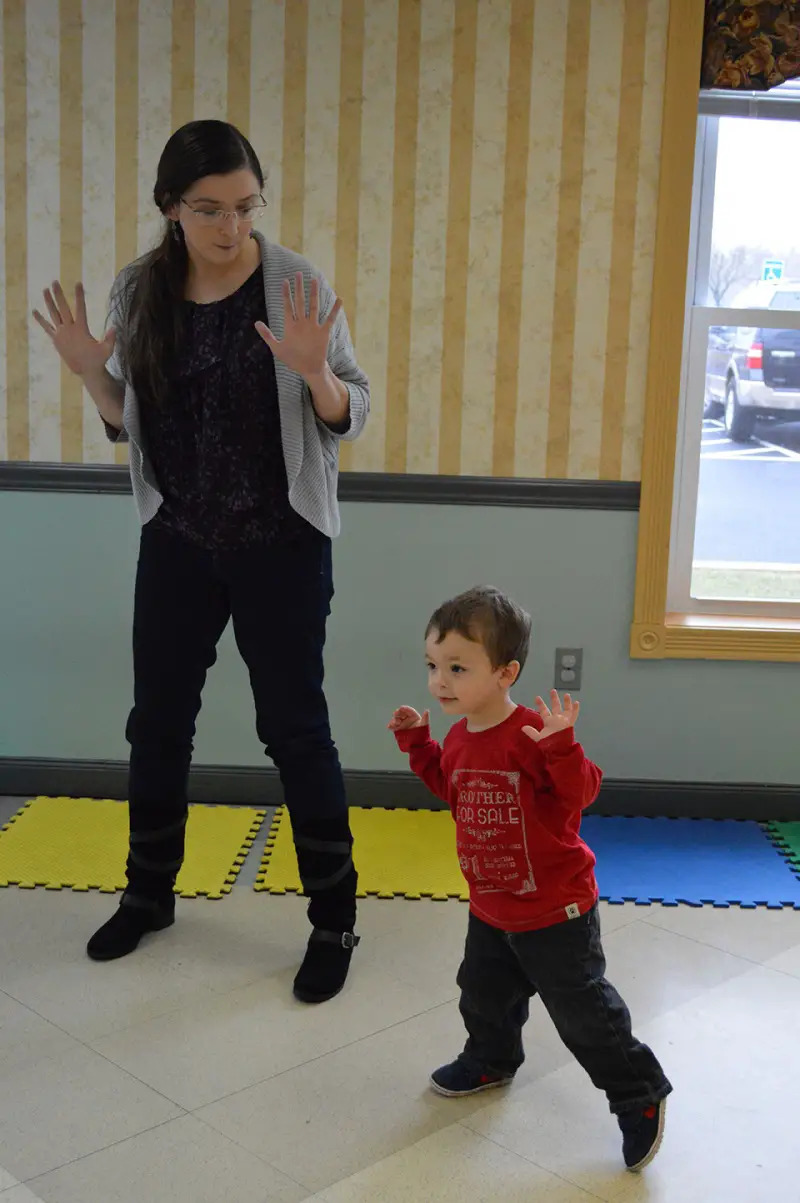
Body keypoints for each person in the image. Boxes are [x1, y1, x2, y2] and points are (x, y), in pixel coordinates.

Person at [33, 119, 369, 1004]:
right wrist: (88, 375)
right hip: (176, 540)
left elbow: (350, 411)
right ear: (171, 209)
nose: (232, 227)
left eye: (246, 206)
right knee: (158, 724)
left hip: (283, 544)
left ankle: (334, 914)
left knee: (295, 729)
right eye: (210, 210)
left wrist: (317, 375)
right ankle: (149, 892)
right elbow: (130, 421)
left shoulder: (295, 282)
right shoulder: (140, 290)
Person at [388, 586, 672, 1171]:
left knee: (583, 1013)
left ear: (505, 672)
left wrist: (565, 748)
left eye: (458, 668)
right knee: (483, 993)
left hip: (556, 912)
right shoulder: (460, 735)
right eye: (433, 666)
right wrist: (418, 745)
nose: (440, 681)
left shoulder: (534, 734)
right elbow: (453, 791)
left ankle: (637, 1092)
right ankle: (491, 1059)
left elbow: (581, 795)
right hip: (491, 906)